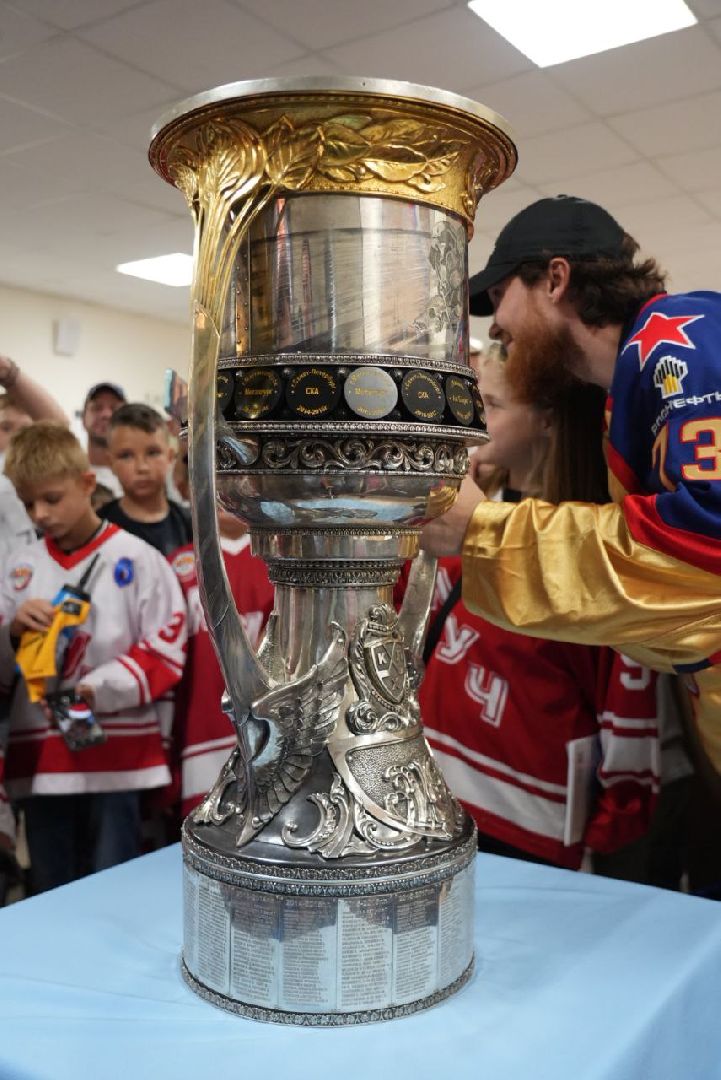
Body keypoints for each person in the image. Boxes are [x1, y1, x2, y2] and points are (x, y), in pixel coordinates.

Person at [422, 194, 721, 779]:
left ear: (555, 279)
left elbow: (705, 551)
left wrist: (483, 531)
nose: (497, 327)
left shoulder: (680, 336)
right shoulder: (619, 400)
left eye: (502, 295)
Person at [421, 345, 659, 868]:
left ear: (547, 419)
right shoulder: (471, 518)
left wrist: (609, 831)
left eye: (494, 404)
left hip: (533, 828)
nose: (476, 419)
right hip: (438, 805)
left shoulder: (591, 547)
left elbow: (629, 706)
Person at [0, 423, 187, 893]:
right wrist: (12, 631)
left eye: (52, 498)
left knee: (113, 885)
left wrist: (99, 686)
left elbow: (167, 646)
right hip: (39, 755)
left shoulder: (139, 558)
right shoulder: (18, 569)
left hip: (116, 751)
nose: (40, 514)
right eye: (27, 503)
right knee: (48, 887)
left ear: (87, 484)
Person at [170, 500, 274, 820]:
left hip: (265, 726)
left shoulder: (280, 558)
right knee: (202, 826)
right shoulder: (178, 564)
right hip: (199, 726)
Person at [100, 403, 191, 557]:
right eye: (126, 456)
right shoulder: (98, 528)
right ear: (111, 463)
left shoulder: (192, 525)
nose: (142, 467)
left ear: (170, 457)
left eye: (153, 453)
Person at [81, 382, 126, 497]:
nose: (106, 415)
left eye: (114, 408)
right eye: (97, 408)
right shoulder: (70, 474)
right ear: (83, 419)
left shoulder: (138, 476)